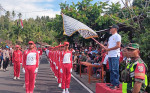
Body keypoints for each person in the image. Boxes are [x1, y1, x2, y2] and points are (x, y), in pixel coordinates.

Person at [105, 24, 121, 89]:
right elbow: (108, 46)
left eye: (111, 28)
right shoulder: (110, 37)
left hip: (115, 55)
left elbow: (118, 46)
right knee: (111, 70)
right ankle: (112, 83)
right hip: (110, 55)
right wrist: (106, 48)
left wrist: (109, 49)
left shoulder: (117, 36)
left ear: (115, 29)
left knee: (115, 70)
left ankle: (116, 84)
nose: (110, 29)